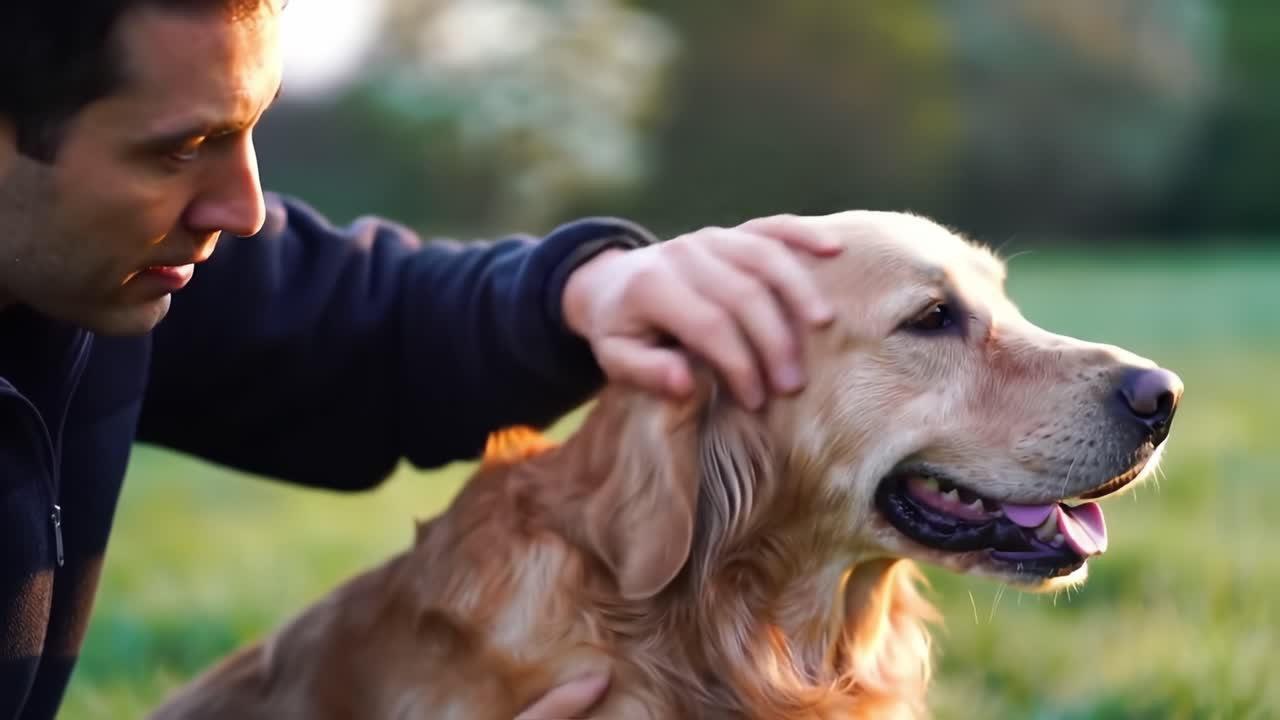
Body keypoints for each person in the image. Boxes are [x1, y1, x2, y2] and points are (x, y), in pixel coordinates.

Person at [0, 1, 843, 717]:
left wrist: (586, 288)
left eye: (253, 127)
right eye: (182, 149)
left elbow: (366, 328)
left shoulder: (109, 271)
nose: (244, 208)